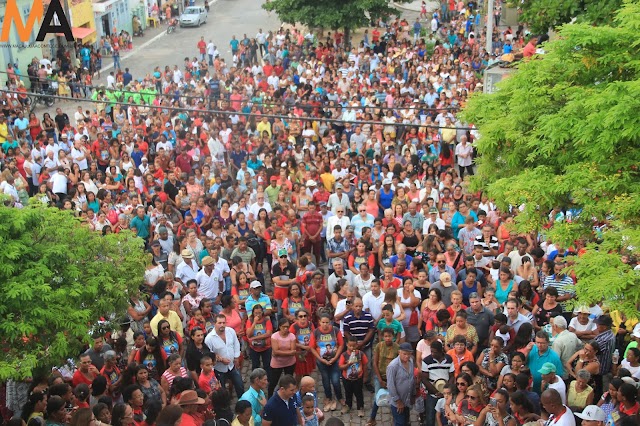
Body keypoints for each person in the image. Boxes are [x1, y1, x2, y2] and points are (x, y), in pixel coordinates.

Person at [204, 314, 244, 398]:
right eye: (219, 323)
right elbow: (209, 355)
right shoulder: (209, 339)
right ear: (214, 323)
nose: (222, 325)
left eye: (223, 323)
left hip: (232, 365)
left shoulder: (231, 331)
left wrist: (236, 357)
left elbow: (236, 344)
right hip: (219, 369)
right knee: (221, 390)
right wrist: (221, 359)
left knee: (240, 385)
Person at [386, 342, 416, 426]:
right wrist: (398, 401)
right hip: (397, 402)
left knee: (406, 421)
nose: (407, 356)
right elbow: (390, 385)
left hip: (407, 399)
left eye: (409, 354)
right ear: (399, 352)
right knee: (400, 423)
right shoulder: (393, 366)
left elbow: (412, 378)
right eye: (404, 354)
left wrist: (413, 394)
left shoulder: (411, 361)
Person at [338, 336, 368, 417]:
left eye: (354, 346)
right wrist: (348, 364)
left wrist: (365, 376)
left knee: (359, 393)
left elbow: (365, 365)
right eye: (350, 346)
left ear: (357, 345)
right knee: (348, 392)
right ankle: (348, 406)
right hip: (347, 378)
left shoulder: (361, 354)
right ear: (347, 345)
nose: (352, 348)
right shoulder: (344, 355)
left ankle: (360, 407)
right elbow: (340, 366)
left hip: (358, 378)